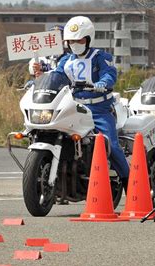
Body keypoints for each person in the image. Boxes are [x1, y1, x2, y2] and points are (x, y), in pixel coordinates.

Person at [52, 16, 130, 190]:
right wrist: (39, 81)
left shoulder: (100, 56)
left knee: (112, 145)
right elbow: (56, 77)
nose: (75, 43)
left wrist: (104, 82)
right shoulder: (66, 60)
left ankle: (129, 182)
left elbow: (109, 73)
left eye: (79, 39)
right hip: (73, 108)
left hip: (98, 109)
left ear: (88, 39)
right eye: (71, 40)